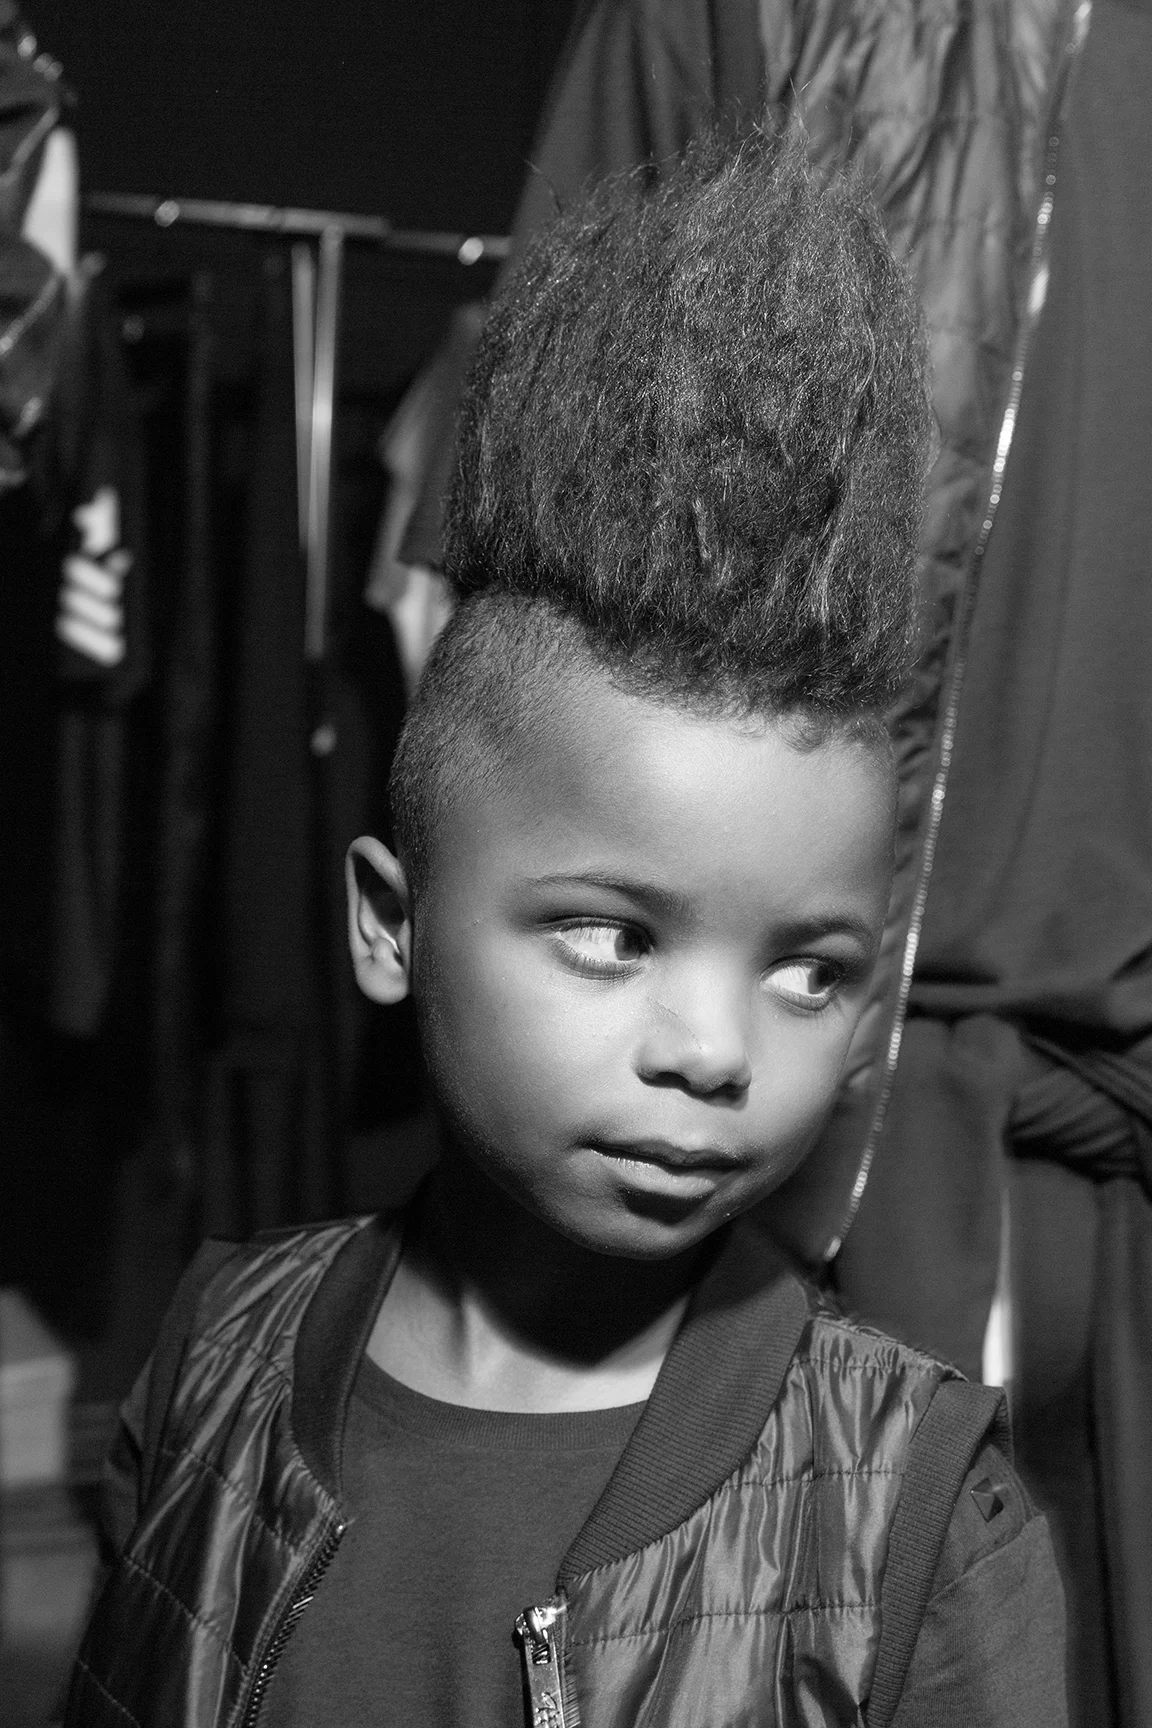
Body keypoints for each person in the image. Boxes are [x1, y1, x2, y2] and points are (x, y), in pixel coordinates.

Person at [64, 134, 1067, 1728]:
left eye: (810, 969)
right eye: (614, 939)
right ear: (391, 925)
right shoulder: (213, 1367)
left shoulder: (919, 1521)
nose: (716, 1053)